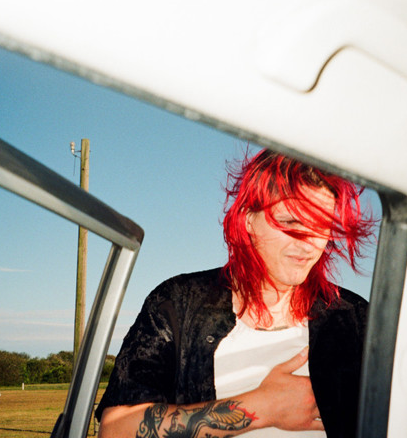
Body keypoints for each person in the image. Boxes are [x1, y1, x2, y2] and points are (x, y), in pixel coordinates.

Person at [96, 149, 375, 438]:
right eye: (290, 222)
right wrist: (262, 407)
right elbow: (115, 430)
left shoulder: (354, 319)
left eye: (321, 225)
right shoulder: (178, 305)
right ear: (247, 219)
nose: (307, 244)